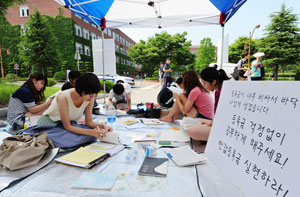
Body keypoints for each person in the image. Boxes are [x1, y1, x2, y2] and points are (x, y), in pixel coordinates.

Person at [23, 73, 112, 148]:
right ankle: (47, 139)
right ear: (81, 90)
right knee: (80, 136)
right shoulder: (63, 97)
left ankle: (71, 141)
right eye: (90, 94)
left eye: (95, 94)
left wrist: (101, 126)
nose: (93, 97)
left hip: (68, 125)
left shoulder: (90, 98)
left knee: (92, 134)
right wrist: (91, 132)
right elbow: (67, 127)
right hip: (51, 125)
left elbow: (89, 122)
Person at [187, 67, 231, 141]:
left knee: (192, 131)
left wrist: (210, 125)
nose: (203, 85)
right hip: (217, 122)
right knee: (197, 120)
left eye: (204, 83)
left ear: (213, 82)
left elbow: (223, 118)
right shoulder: (218, 91)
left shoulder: (222, 92)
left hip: (224, 128)